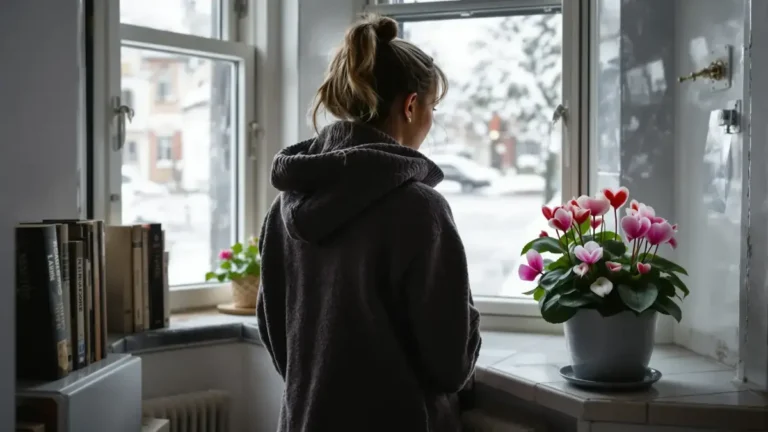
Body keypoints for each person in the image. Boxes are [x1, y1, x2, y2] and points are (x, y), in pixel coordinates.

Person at [256, 14, 482, 432]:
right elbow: (451, 366)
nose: (431, 121)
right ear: (411, 105)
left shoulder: (284, 207)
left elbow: (278, 343)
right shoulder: (420, 210)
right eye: (432, 107)